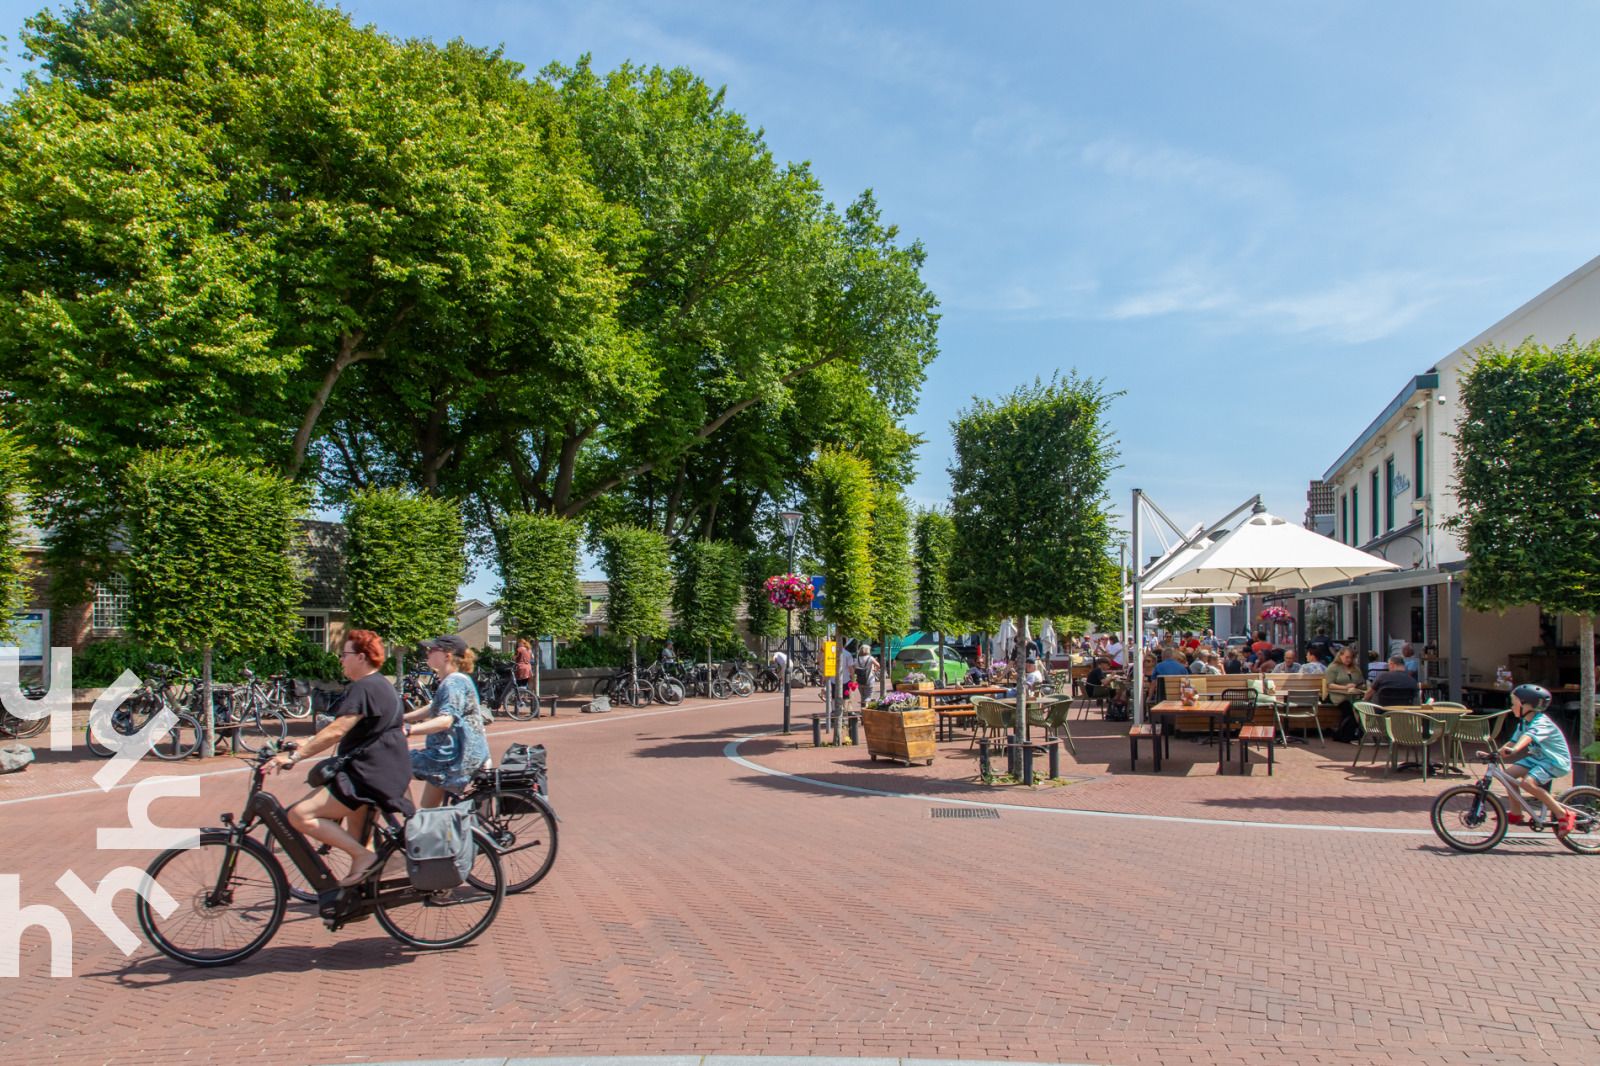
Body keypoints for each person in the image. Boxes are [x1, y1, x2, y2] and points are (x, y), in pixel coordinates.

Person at [266, 629, 414, 887]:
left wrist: (297, 756)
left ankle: (365, 858)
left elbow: (337, 730)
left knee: (300, 815)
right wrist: (304, 742)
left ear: (361, 657)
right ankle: (361, 892)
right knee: (358, 835)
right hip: (385, 772)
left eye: (344, 655)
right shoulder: (381, 685)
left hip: (367, 777)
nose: (341, 660)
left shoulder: (363, 687)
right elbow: (358, 731)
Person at [405, 634, 491, 810]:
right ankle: (422, 830)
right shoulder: (452, 680)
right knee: (428, 810)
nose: (427, 652)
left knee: (394, 763)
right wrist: (401, 718)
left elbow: (445, 720)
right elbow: (433, 708)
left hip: (451, 758)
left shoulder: (453, 682)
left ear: (447, 655)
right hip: (452, 754)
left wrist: (409, 729)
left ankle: (410, 827)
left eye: (432, 649)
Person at [1499, 684, 1575, 832]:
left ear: (1526, 705)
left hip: (1554, 761)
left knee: (1528, 783)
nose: (1511, 706)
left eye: (1514, 703)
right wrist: (1496, 753)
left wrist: (1514, 750)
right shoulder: (1524, 721)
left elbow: (1527, 737)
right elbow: (1514, 741)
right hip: (1538, 759)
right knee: (1508, 776)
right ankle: (1516, 813)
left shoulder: (1541, 722)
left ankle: (1563, 814)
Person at [1325, 646, 1366, 741]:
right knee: (1349, 711)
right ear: (1340, 655)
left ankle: (1346, 733)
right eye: (1347, 657)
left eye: (1351, 657)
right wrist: (1345, 687)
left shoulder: (1356, 669)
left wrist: (1358, 686)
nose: (1349, 660)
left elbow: (1362, 682)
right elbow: (1329, 684)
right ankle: (1344, 735)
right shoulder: (1333, 667)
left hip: (1355, 696)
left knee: (1362, 709)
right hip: (1338, 696)